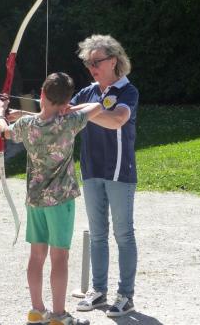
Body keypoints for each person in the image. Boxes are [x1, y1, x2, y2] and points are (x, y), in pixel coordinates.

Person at [0, 72, 102, 325]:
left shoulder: (26, 126)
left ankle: (36, 310)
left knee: (37, 255)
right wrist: (68, 108)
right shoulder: (70, 121)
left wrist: (1, 111)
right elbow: (96, 106)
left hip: (35, 201)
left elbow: (5, 132)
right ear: (65, 102)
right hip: (61, 201)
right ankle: (58, 315)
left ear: (41, 95)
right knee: (59, 257)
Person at [70, 35, 139, 318]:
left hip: (120, 171)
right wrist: (17, 115)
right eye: (88, 63)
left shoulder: (127, 91)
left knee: (123, 234)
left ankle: (126, 295)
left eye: (96, 61)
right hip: (91, 170)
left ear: (113, 60)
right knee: (97, 235)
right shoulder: (87, 93)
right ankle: (98, 291)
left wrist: (84, 113)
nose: (91, 67)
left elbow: (116, 121)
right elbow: (59, 112)